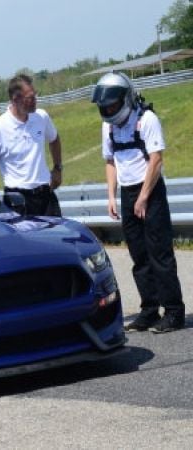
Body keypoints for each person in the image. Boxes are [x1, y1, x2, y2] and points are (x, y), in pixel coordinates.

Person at [91, 71, 185, 333]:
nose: (108, 109)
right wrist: (111, 195)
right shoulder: (108, 126)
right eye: (104, 106)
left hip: (150, 192)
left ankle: (174, 311)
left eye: (111, 104)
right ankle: (149, 310)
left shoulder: (146, 120)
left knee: (159, 253)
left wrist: (143, 197)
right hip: (128, 193)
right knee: (139, 255)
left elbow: (156, 160)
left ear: (124, 99)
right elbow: (110, 161)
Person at [0, 74, 63, 216]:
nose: (35, 101)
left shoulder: (41, 117)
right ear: (16, 99)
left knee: (58, 236)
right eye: (30, 98)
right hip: (18, 200)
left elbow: (54, 139)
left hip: (45, 194)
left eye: (35, 95)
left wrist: (58, 168)